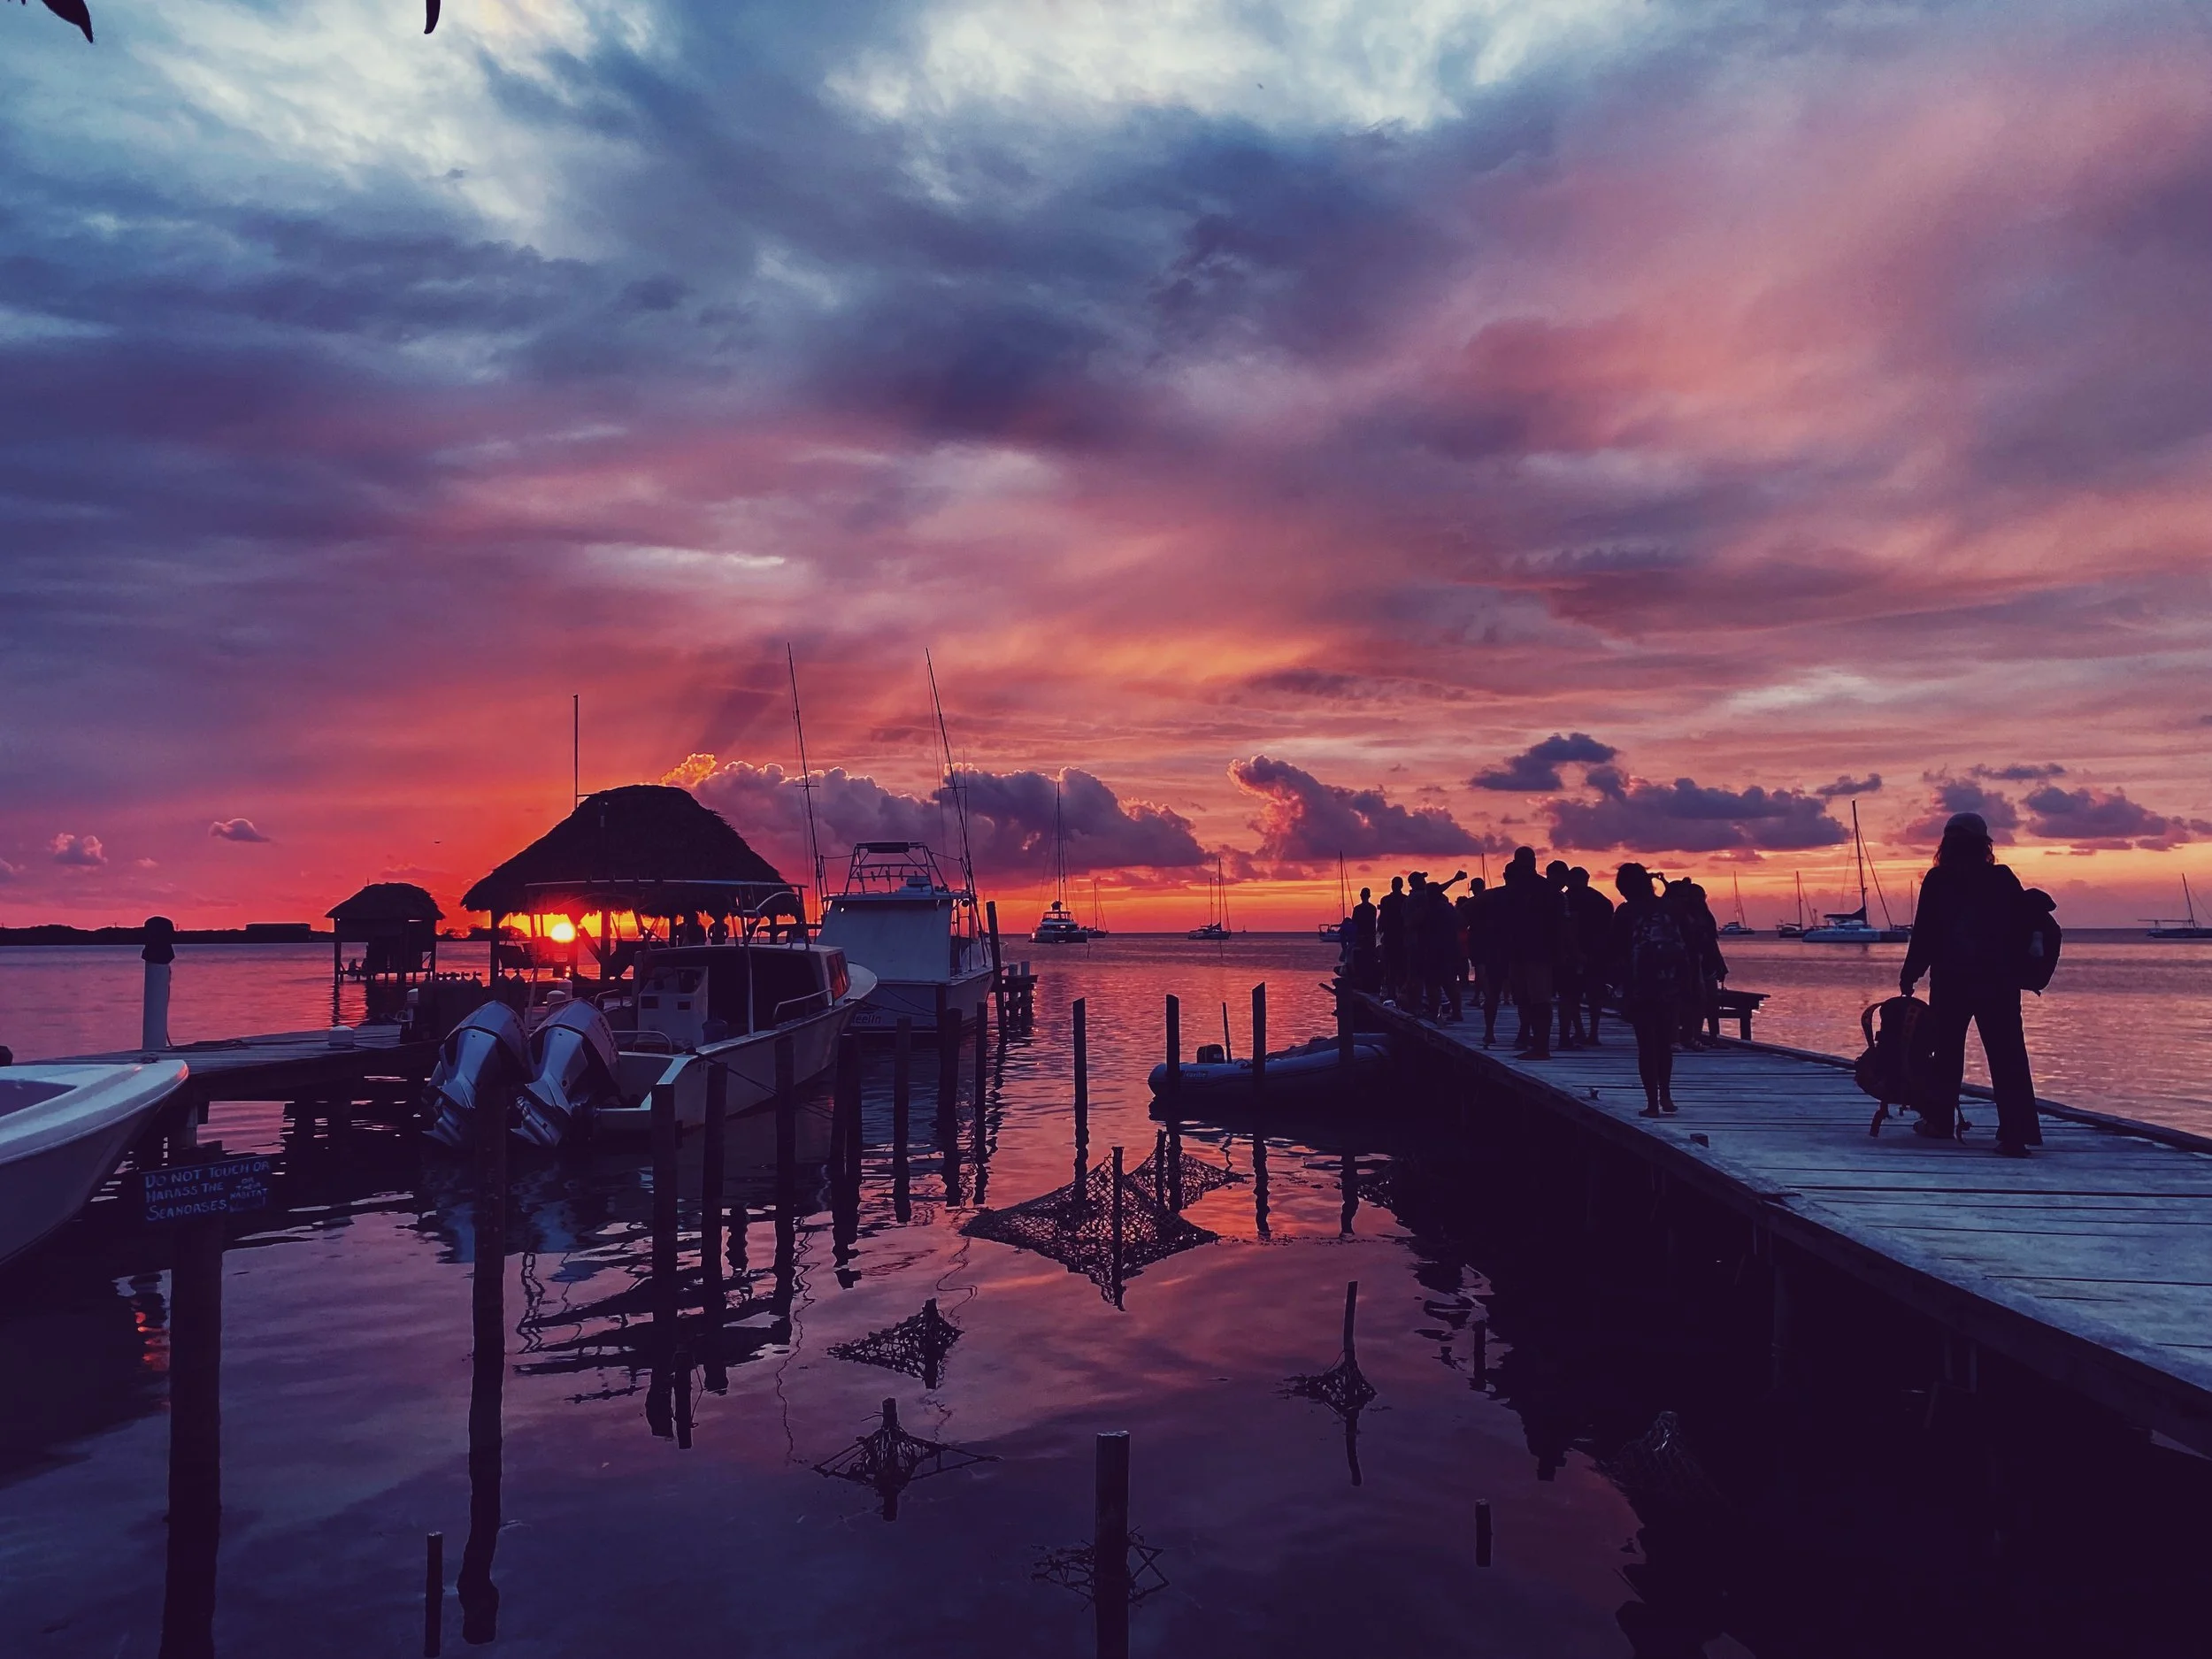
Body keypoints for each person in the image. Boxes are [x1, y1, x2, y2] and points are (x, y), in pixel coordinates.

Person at [1901, 812, 2042, 1156]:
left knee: (1946, 1053)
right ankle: (2016, 1133)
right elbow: (2023, 925)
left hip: (1952, 980)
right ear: (1985, 845)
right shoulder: (2002, 878)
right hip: (1998, 981)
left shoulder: (1938, 880)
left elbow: (1925, 934)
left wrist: (1910, 974)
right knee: (2008, 1055)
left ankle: (1939, 1122)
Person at [1609, 863, 1686, 1116]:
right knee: (1664, 1043)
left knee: (1646, 1045)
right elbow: (1687, 944)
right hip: (1670, 983)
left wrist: (1617, 988)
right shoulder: (1670, 909)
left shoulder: (1626, 912)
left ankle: (1652, 1102)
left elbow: (1616, 951)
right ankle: (1666, 1096)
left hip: (1639, 985)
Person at [1501, 849, 1558, 1059]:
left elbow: (1557, 922)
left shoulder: (1544, 889)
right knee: (1523, 998)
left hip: (1538, 951)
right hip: (1518, 950)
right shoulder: (1514, 890)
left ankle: (1541, 1045)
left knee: (1539, 1000)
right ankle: (1528, 1036)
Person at [1565, 867, 1614, 1043]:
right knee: (1595, 995)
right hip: (1599, 953)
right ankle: (1593, 1032)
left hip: (1575, 952)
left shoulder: (1569, 898)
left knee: (1571, 995)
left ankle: (1579, 1030)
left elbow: (1570, 926)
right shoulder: (1602, 900)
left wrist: (1575, 950)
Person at [1546, 860, 1585, 1049]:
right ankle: (1563, 1037)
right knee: (1567, 997)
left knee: (1538, 997)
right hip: (1560, 954)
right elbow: (1566, 927)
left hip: (1540, 953)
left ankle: (1533, 1036)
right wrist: (1575, 953)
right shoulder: (1560, 898)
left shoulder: (1536, 895)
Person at [1378, 876, 1409, 1005]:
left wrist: (1380, 928)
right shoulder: (1405, 900)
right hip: (1401, 936)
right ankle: (1400, 992)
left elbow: (1382, 918)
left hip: (1392, 936)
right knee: (1401, 966)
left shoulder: (1386, 900)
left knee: (1391, 966)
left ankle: (1392, 993)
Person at [1349, 887, 1379, 992]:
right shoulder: (1372, 908)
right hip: (1370, 937)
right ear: (1369, 896)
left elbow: (1354, 924)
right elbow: (1372, 923)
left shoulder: (1357, 909)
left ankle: (1360, 981)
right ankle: (1368, 982)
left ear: (1361, 896)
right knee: (1369, 959)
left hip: (1361, 937)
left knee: (1360, 960)